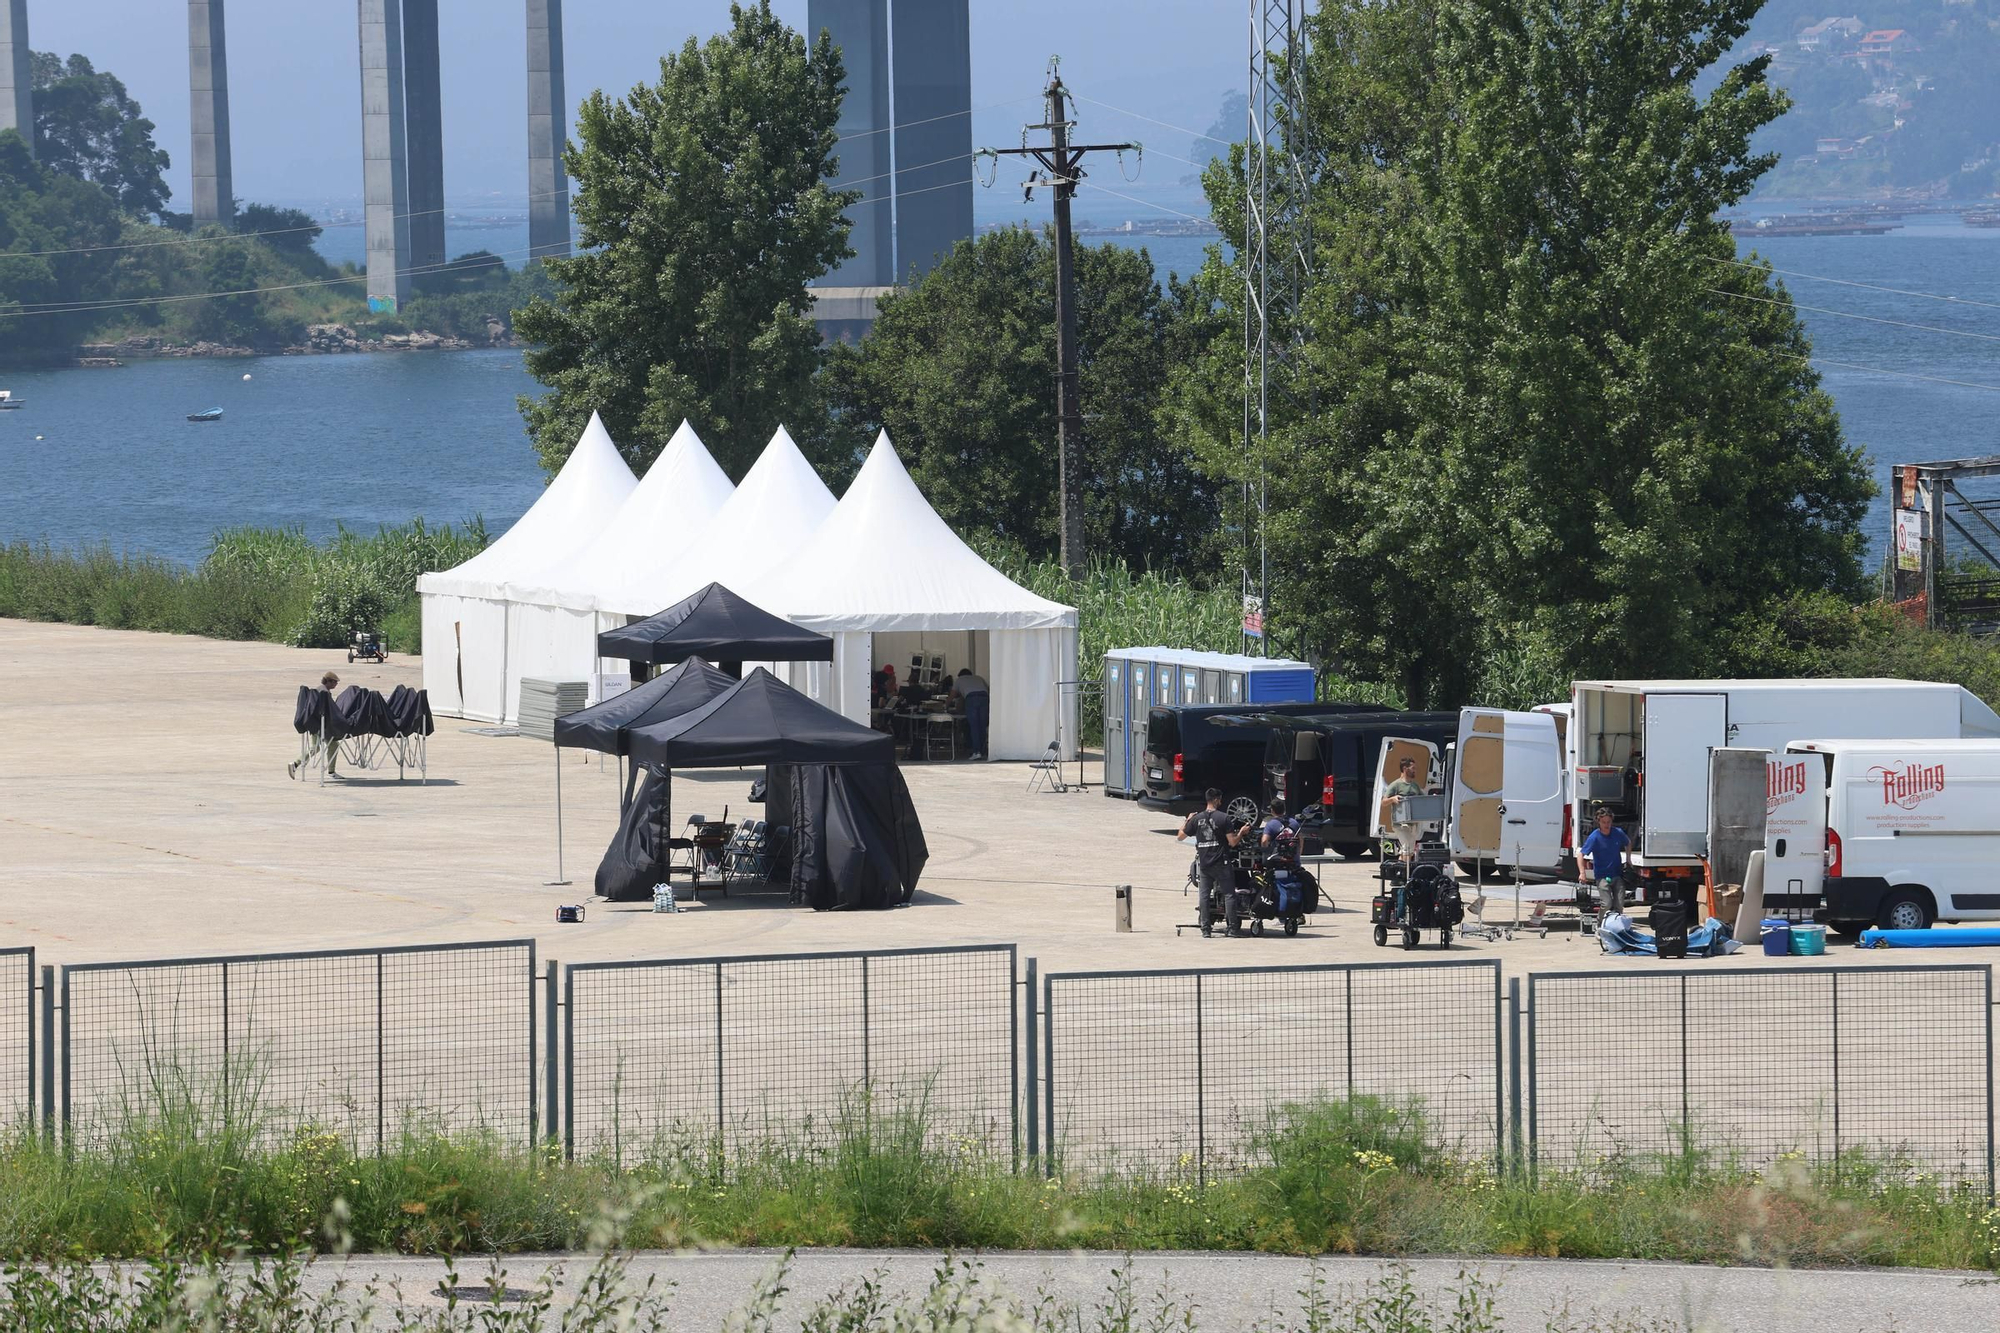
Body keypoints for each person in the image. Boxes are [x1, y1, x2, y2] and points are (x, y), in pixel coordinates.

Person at [1177, 787, 1246, 937]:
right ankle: (1233, 929)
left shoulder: (1197, 818)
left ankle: (1206, 930)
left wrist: (1188, 819)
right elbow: (1232, 842)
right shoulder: (1224, 818)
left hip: (1204, 863)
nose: (1220, 802)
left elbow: (1180, 836)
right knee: (1229, 895)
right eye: (1219, 799)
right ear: (1215, 800)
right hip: (1221, 862)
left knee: (1204, 896)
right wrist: (1241, 832)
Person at [287, 670, 342, 779]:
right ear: (329, 682)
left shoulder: (318, 690)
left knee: (318, 747)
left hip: (313, 724)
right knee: (329, 745)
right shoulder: (324, 693)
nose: (336, 684)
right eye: (335, 682)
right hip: (319, 725)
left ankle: (296, 764)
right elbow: (327, 711)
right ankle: (296, 764)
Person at [1579, 805, 1633, 914]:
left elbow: (1628, 843)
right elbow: (1581, 854)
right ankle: (1600, 923)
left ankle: (1615, 925)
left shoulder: (1617, 832)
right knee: (1607, 903)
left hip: (1617, 874)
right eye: (1603, 822)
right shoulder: (1595, 837)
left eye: (1608, 822)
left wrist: (1628, 859)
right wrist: (1582, 873)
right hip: (1602, 876)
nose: (1606, 825)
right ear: (1598, 822)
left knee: (1619, 904)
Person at [1384, 756, 1425, 870]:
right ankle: (1404, 875)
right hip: (1400, 824)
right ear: (1405, 768)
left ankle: (1398, 873)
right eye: (1413, 768)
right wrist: (1393, 799)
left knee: (1409, 851)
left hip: (1413, 823)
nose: (1415, 770)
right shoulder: (1395, 785)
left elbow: (1423, 799)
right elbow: (1383, 802)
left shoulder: (1415, 786)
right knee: (1407, 849)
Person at [951, 667, 991, 761]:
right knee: (982, 725)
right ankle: (983, 751)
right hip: (984, 698)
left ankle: (976, 752)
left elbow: (952, 695)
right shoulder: (979, 678)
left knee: (974, 726)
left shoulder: (959, 680)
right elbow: (988, 689)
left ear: (960, 675)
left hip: (971, 699)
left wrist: (946, 706)